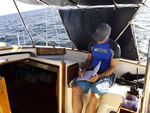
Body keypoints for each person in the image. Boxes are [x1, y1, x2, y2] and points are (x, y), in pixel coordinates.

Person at [72, 23, 121, 113]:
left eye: (101, 38)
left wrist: (99, 76)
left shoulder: (114, 47)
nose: (98, 40)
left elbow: (113, 67)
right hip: (91, 71)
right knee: (75, 89)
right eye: (97, 37)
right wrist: (83, 69)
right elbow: (88, 61)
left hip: (106, 74)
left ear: (108, 35)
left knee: (95, 97)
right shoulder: (92, 44)